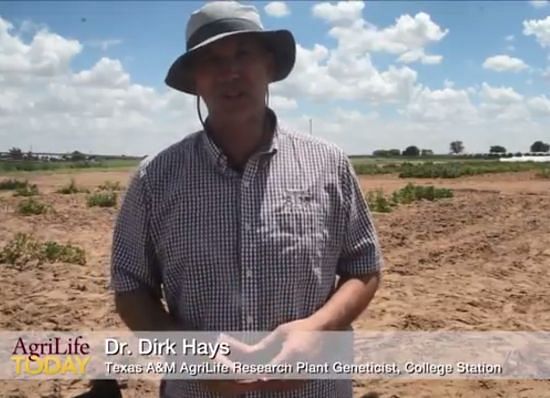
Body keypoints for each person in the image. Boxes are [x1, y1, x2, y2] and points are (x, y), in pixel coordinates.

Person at [110, 1, 383, 397]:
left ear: (270, 65)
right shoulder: (156, 177)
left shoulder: (328, 164)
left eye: (243, 53)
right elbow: (131, 288)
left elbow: (364, 267)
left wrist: (319, 329)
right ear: (195, 81)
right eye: (210, 60)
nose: (230, 72)